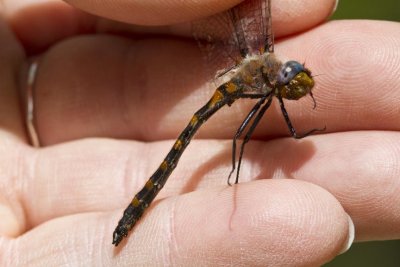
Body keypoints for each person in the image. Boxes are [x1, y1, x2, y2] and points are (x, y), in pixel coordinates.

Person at [0, 0, 399, 265]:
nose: (293, 76)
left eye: (292, 72)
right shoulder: (265, 82)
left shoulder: (265, 72)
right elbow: (245, 137)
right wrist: (236, 172)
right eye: (290, 74)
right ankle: (138, 210)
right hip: (211, 105)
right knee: (197, 145)